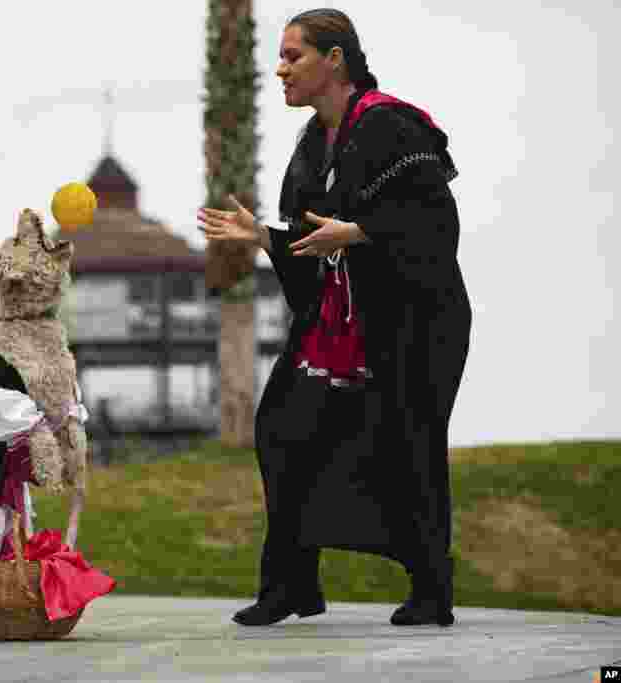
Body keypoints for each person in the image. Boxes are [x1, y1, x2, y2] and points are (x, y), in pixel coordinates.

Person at [198, 8, 471, 627]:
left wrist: (361, 230)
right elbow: (310, 247)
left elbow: (436, 226)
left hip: (415, 322)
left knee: (408, 444)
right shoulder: (313, 144)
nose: (280, 68)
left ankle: (432, 590)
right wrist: (264, 237)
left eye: (294, 55)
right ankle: (293, 585)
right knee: (284, 427)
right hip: (342, 322)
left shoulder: (389, 126)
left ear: (335, 59)